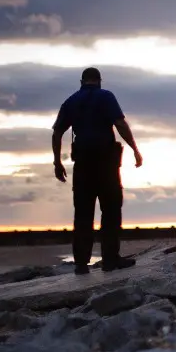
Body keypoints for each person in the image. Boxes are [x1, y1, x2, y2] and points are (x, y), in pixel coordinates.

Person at [52, 67, 143, 275]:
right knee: (111, 210)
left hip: (83, 164)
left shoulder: (71, 101)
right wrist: (135, 149)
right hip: (106, 164)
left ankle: (81, 264)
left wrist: (57, 162)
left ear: (81, 82)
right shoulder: (106, 96)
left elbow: (57, 132)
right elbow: (120, 123)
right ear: (99, 81)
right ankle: (110, 260)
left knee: (83, 213)